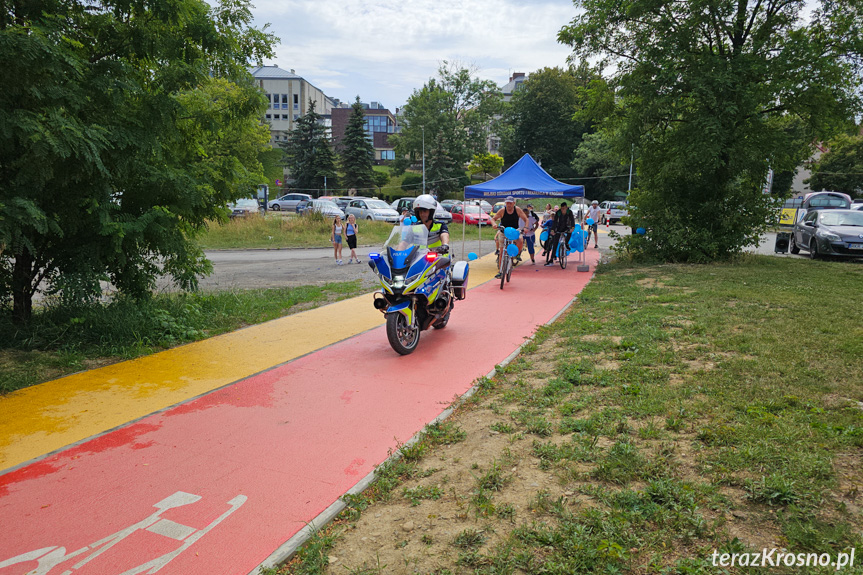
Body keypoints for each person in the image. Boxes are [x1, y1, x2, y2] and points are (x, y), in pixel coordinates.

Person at [492, 196, 528, 278]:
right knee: (502, 252)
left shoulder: (517, 210)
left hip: (514, 232)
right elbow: (493, 219)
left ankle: (517, 254)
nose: (509, 205)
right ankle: (500, 272)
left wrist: (525, 227)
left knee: (520, 240)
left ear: (514, 203)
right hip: (504, 232)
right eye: (507, 203)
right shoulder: (502, 211)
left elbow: (526, 219)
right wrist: (494, 224)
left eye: (510, 203)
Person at [545, 201, 575, 266]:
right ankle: (551, 259)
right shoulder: (558, 212)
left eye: (564, 208)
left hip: (567, 226)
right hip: (559, 227)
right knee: (555, 242)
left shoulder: (569, 212)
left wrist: (572, 227)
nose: (563, 210)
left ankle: (566, 243)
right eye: (562, 208)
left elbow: (572, 220)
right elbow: (555, 222)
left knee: (569, 232)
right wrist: (553, 230)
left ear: (566, 208)